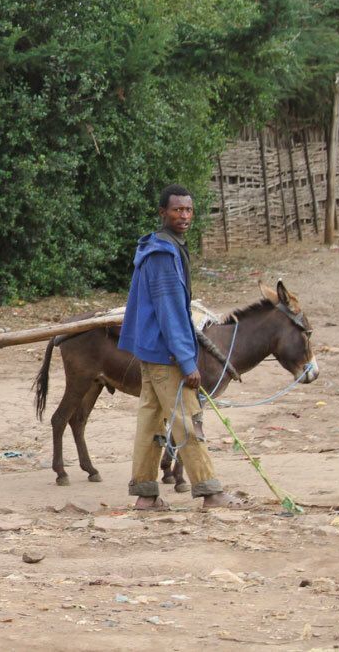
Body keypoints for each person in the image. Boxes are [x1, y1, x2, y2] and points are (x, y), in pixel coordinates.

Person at [118, 184, 240, 510]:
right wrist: (187, 361)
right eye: (177, 210)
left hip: (152, 351)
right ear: (163, 213)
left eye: (188, 210)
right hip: (166, 355)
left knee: (150, 422)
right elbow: (170, 311)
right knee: (188, 419)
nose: (184, 216)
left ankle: (145, 495)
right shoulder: (162, 254)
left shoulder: (163, 247)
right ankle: (210, 491)